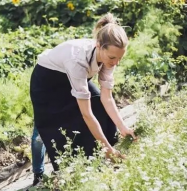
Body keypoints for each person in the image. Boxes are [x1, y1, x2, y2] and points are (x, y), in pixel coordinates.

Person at [30, 12, 137, 185]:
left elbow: (107, 99)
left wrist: (123, 127)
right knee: (42, 132)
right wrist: (107, 149)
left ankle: (90, 160)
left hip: (73, 78)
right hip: (47, 82)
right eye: (112, 58)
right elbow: (86, 114)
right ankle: (38, 174)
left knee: (99, 108)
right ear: (99, 45)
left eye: (120, 58)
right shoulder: (78, 61)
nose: (116, 63)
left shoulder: (110, 58)